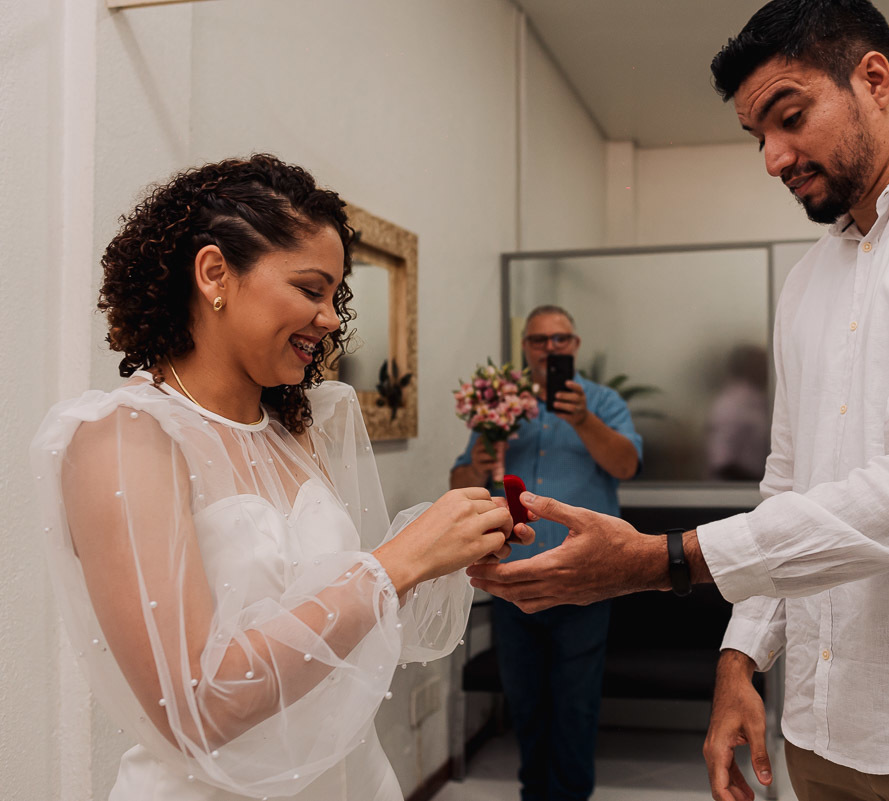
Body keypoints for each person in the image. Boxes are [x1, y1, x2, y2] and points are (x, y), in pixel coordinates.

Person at [467, 2, 889, 800]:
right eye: (756, 135)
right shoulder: (809, 281)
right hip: (824, 729)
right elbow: (789, 488)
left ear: (874, 79)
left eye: (790, 117)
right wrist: (741, 656)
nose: (773, 158)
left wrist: (664, 559)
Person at [30, 154, 530, 801]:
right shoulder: (125, 438)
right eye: (311, 289)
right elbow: (199, 707)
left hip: (353, 778)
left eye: (333, 296)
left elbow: (347, 621)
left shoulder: (298, 427)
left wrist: (446, 551)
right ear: (215, 273)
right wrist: (397, 564)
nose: (331, 318)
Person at [450, 305, 642, 801]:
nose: (549, 349)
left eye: (560, 340)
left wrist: (583, 420)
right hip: (513, 577)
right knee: (525, 700)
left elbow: (625, 465)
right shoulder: (501, 405)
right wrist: (478, 461)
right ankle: (534, 793)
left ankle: (570, 796)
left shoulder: (603, 402)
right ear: (525, 347)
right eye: (539, 340)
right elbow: (459, 481)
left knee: (576, 703)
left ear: (574, 346)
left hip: (584, 577)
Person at [705, 344, 771, 481]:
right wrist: (754, 482)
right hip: (736, 486)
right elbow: (722, 460)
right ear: (747, 367)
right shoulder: (732, 404)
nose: (767, 368)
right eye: (760, 363)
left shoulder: (760, 399)